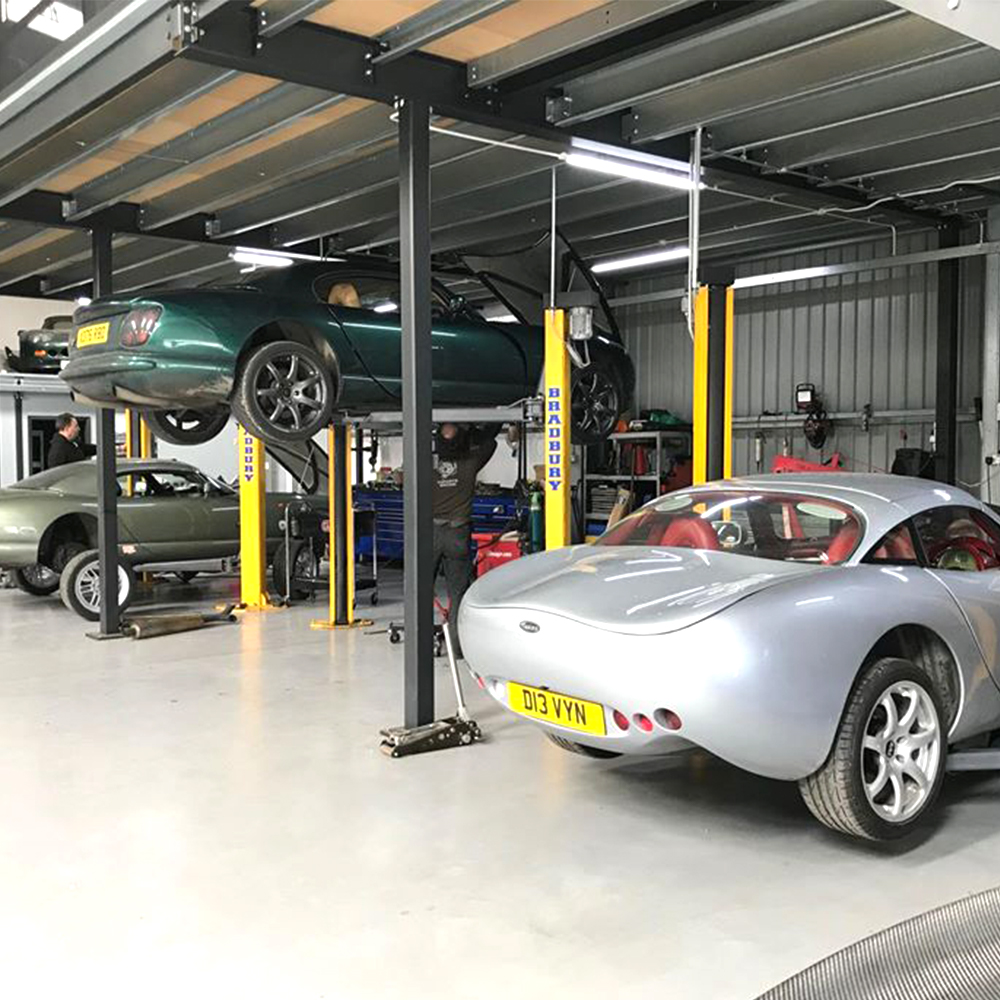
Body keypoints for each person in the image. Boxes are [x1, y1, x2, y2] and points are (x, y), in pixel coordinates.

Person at [432, 423, 498, 655]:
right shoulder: (470, 461)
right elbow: (491, 443)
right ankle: (457, 648)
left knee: (420, 588)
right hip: (457, 533)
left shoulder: (427, 463)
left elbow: (401, 478)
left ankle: (418, 644)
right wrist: (470, 430)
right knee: (457, 592)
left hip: (430, 533)